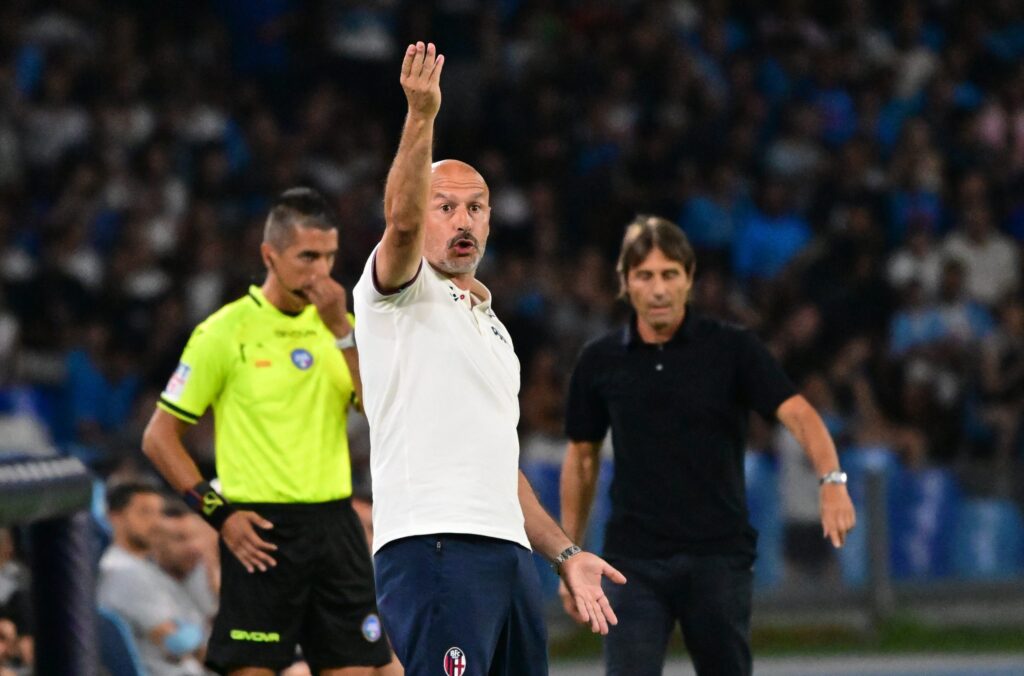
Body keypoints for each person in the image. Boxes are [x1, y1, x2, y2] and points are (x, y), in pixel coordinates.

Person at [352, 41, 625, 676]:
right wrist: (421, 116)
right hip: (433, 548)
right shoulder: (394, 293)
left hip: (507, 556)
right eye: (444, 207)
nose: (461, 219)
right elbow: (397, 224)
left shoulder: (495, 330)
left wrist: (563, 554)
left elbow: (500, 469)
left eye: (475, 206)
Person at [559, 216, 857, 676]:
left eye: (669, 275)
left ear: (689, 279)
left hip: (717, 557)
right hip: (633, 561)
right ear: (625, 283)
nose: (658, 289)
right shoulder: (599, 362)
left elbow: (798, 413)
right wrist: (570, 554)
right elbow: (582, 460)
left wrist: (832, 479)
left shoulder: (732, 349)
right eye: (645, 276)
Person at [141, 188, 392, 675]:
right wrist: (220, 516)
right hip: (259, 530)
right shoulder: (223, 332)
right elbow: (158, 437)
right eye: (307, 257)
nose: (320, 271)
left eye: (330, 257)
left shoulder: (345, 331)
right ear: (269, 255)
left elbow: (381, 414)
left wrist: (342, 331)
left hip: (335, 526)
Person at [97, 483, 208, 676]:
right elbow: (177, 643)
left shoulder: (145, 566)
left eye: (158, 513)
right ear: (114, 517)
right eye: (144, 513)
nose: (156, 522)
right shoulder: (125, 572)